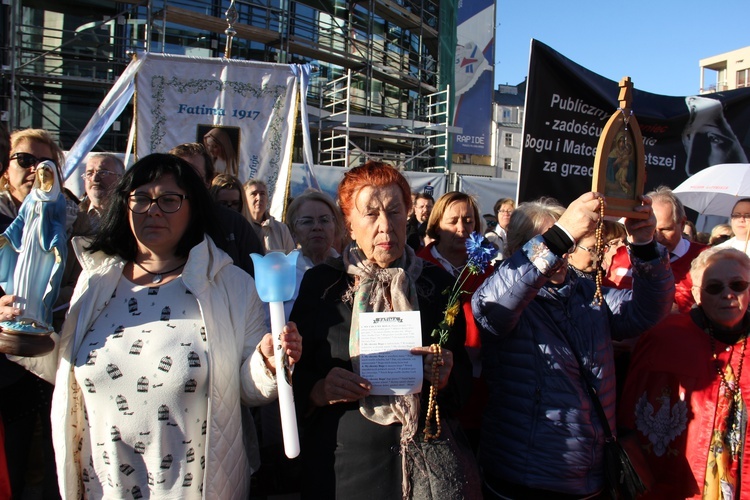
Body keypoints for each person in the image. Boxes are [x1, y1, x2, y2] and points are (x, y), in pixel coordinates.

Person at [1, 153, 302, 499]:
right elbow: (70, 371)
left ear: (194, 208)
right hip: (102, 486)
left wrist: (268, 361)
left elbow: (244, 390)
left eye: (169, 200)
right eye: (141, 198)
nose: (153, 210)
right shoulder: (96, 280)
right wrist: (17, 333)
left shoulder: (230, 285)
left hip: (191, 488)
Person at [291, 161, 477, 499]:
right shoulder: (323, 286)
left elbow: (463, 374)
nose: (384, 227)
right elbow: (294, 375)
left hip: (424, 468)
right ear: (348, 222)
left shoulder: (436, 284)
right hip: (344, 469)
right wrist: (319, 389)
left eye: (394, 212)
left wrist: (446, 375)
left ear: (408, 214)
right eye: (371, 214)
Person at [472, 193, 674, 499]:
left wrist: (644, 246)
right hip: (526, 480)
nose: (562, 253)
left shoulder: (587, 293)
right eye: (554, 242)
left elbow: (648, 310)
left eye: (567, 243)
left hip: (590, 477)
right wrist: (559, 236)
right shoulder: (508, 294)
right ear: (518, 248)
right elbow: (491, 307)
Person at [619, 247, 750, 498]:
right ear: (697, 295)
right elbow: (629, 421)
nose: (728, 295)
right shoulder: (665, 338)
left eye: (738, 285)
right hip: (677, 485)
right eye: (714, 287)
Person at [417, 191, 493, 452]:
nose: (462, 229)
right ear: (436, 225)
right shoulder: (417, 267)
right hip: (433, 387)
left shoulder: (489, 271)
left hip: (482, 386)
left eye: (469, 221)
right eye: (453, 221)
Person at [169, 143, 263, 276]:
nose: (184, 179)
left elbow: (257, 277)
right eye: (177, 173)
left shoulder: (233, 224)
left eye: (192, 173)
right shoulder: (153, 217)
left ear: (207, 181)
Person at [0, 162, 67, 332]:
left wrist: (57, 241)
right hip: (27, 247)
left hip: (44, 249)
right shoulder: (31, 197)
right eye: (41, 172)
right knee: (24, 279)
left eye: (47, 171)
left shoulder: (57, 199)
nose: (43, 175)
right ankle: (20, 316)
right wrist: (7, 236)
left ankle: (36, 317)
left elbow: (59, 223)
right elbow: (20, 220)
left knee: (40, 281)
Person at [244, 179, 295, 253]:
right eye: (254, 194)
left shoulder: (281, 229)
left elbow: (291, 258)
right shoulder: (240, 227)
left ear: (267, 199)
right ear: (245, 199)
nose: (259, 198)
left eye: (262, 194)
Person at [77, 153, 125, 233]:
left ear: (120, 179)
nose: (95, 178)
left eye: (103, 173)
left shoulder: (131, 216)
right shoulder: (73, 217)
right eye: (89, 173)